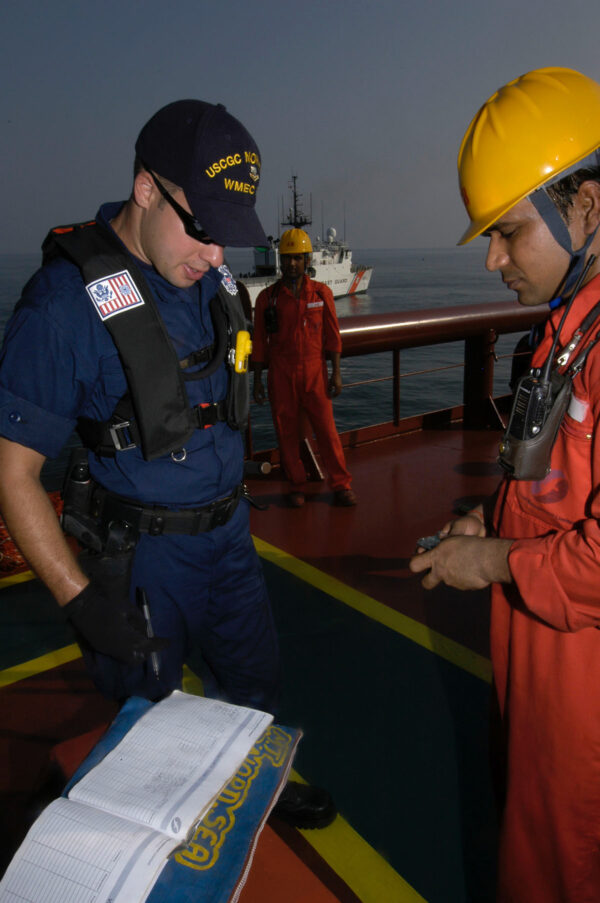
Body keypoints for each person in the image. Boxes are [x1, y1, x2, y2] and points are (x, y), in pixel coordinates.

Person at [0, 100, 334, 828]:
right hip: (144, 561)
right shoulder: (61, 308)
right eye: (204, 229)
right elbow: (12, 474)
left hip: (229, 540)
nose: (218, 258)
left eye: (228, 237)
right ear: (146, 188)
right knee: (143, 720)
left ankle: (256, 786)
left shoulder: (206, 280)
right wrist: (80, 600)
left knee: (254, 684)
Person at [409, 67, 600, 902]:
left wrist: (489, 563)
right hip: (541, 692)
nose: (492, 260)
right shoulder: (568, 328)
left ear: (585, 207)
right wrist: (484, 521)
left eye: (509, 232)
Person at [252, 228, 356, 508]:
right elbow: (260, 341)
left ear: (307, 259)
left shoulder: (322, 294)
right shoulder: (267, 299)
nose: (292, 264)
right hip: (280, 373)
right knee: (286, 432)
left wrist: (336, 373)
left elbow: (333, 336)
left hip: (314, 373)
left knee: (326, 431)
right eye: (287, 258)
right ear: (281, 261)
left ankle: (341, 484)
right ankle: (295, 485)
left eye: (297, 258)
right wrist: (258, 380)